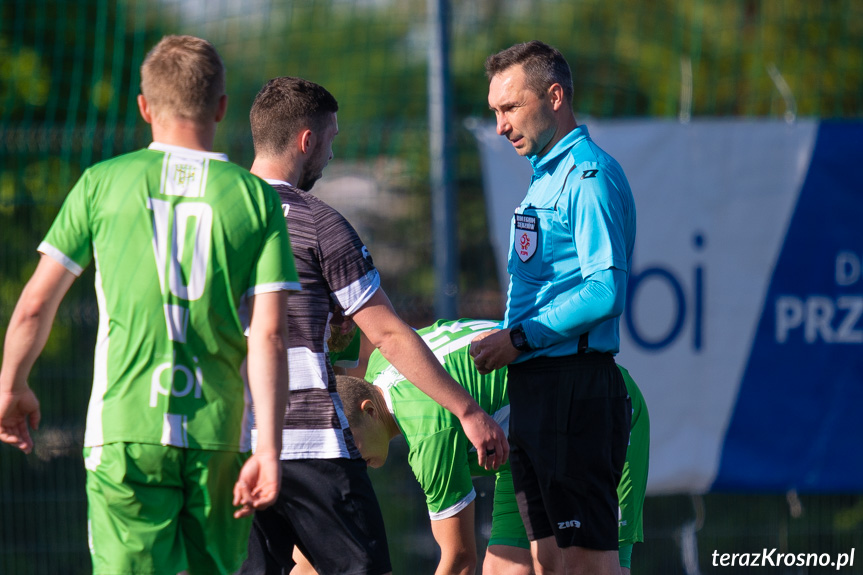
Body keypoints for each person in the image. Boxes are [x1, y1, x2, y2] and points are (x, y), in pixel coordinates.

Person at [0, 35, 298, 575]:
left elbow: (33, 306)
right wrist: (269, 450)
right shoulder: (255, 198)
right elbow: (270, 337)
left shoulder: (101, 184)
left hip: (125, 430)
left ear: (144, 107)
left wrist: (11, 385)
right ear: (223, 107)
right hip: (219, 435)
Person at [241, 76, 508, 575]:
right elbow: (386, 333)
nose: (331, 155)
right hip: (308, 439)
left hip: (234, 438)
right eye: (332, 140)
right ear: (307, 140)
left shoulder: (212, 218)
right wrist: (467, 410)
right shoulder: (319, 223)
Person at [470, 41, 637, 575]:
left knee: (586, 566)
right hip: (539, 391)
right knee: (550, 566)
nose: (500, 126)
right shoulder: (546, 176)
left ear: (556, 96)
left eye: (510, 108)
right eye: (495, 112)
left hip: (575, 390)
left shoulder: (588, 177)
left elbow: (605, 290)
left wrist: (518, 339)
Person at [338, 318, 649, 575]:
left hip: (600, 409)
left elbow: (459, 561)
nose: (349, 458)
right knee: (505, 569)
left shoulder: (429, 433)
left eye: (350, 442)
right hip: (530, 444)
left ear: (369, 410)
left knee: (597, 569)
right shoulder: (386, 359)